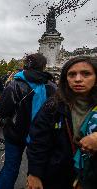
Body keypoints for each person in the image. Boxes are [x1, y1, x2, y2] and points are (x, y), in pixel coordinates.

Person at [27, 56, 97, 189]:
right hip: (59, 176)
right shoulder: (53, 105)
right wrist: (34, 173)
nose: (78, 79)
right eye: (72, 74)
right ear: (65, 79)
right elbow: (38, 141)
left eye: (86, 74)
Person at [0, 53, 56, 189]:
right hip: (42, 135)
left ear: (26, 66)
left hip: (15, 133)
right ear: (43, 66)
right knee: (37, 171)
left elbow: (3, 110)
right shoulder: (51, 86)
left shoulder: (15, 85)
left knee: (10, 168)